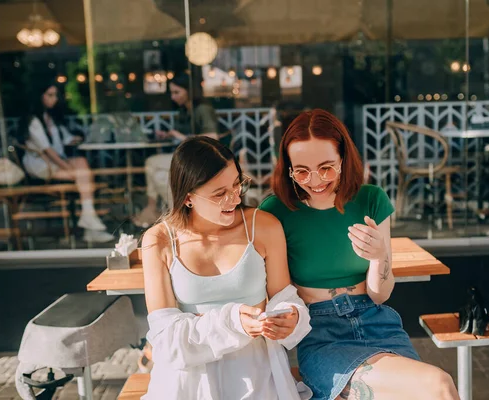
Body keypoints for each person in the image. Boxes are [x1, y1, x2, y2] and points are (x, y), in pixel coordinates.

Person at [259, 109, 460, 400]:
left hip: (375, 319)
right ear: (288, 169)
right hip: (320, 331)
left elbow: (380, 295)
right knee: (437, 385)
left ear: (343, 159)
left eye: (326, 167)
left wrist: (379, 256)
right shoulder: (276, 212)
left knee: (432, 387)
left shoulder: (371, 199)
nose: (315, 180)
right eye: (301, 170)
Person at [141, 136, 312, 399]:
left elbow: (284, 298)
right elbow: (165, 341)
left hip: (256, 372)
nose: (234, 198)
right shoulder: (160, 241)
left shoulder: (264, 227)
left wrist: (291, 317)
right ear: (188, 198)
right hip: (187, 380)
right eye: (219, 194)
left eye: (236, 185)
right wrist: (232, 322)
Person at [19, 83, 113, 243]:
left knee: (82, 163)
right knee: (83, 174)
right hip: (41, 165)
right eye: (50, 95)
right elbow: (48, 151)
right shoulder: (34, 121)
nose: (54, 99)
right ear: (40, 96)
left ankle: (89, 220)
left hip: (55, 161)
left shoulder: (49, 118)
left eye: (55, 95)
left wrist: (80, 138)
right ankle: (89, 221)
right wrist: (68, 168)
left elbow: (63, 139)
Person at [133, 73, 227, 228]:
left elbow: (213, 137)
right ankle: (177, 212)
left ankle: (159, 209)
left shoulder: (202, 109)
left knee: (152, 163)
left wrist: (181, 136)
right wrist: (169, 135)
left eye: (177, 92)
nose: (173, 97)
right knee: (161, 175)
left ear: (189, 91)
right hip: (191, 157)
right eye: (172, 93)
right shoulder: (184, 111)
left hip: (206, 159)